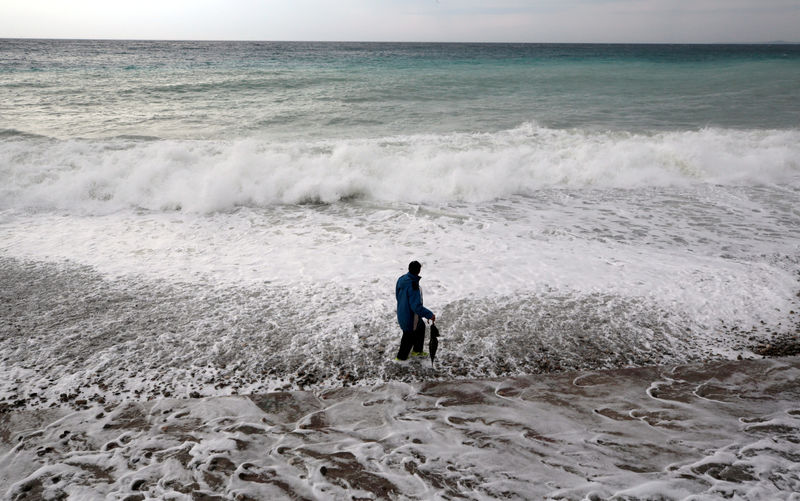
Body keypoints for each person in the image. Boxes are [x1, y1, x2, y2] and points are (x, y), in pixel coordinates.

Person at [395, 260, 436, 361]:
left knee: (420, 327)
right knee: (408, 337)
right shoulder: (414, 286)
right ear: (419, 271)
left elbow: (397, 295)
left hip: (402, 311)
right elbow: (416, 307)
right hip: (410, 316)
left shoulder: (401, 279)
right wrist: (429, 315)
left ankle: (417, 350)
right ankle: (400, 359)